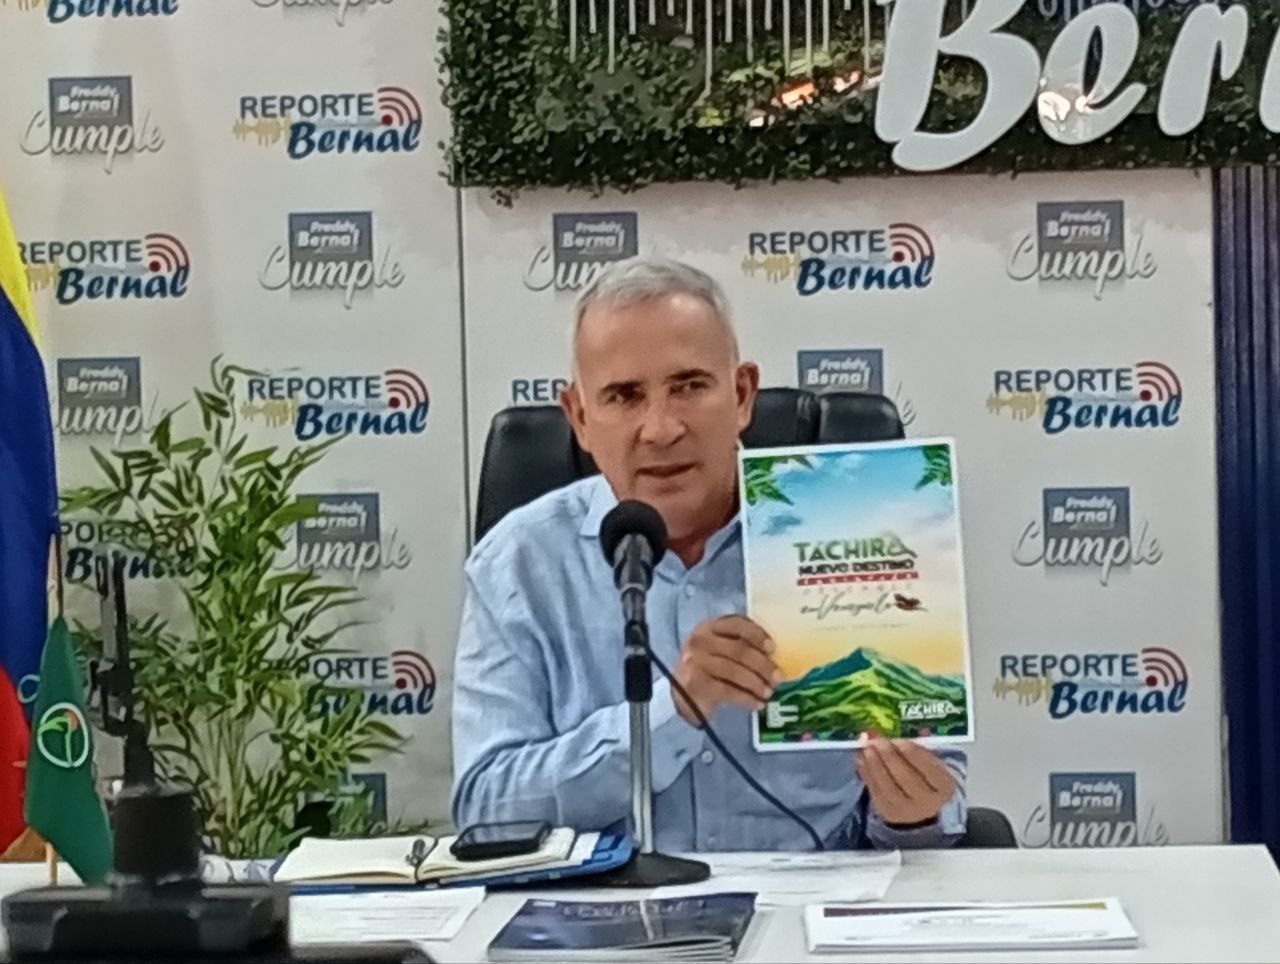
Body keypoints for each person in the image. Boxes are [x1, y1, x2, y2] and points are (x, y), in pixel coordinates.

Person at [451, 257, 967, 851]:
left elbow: (936, 803)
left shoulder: (865, 526)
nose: (661, 428)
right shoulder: (520, 563)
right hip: (608, 901)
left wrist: (911, 817)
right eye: (624, 396)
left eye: (689, 386)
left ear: (742, 395)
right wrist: (670, 712)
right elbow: (485, 809)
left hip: (818, 898)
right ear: (580, 418)